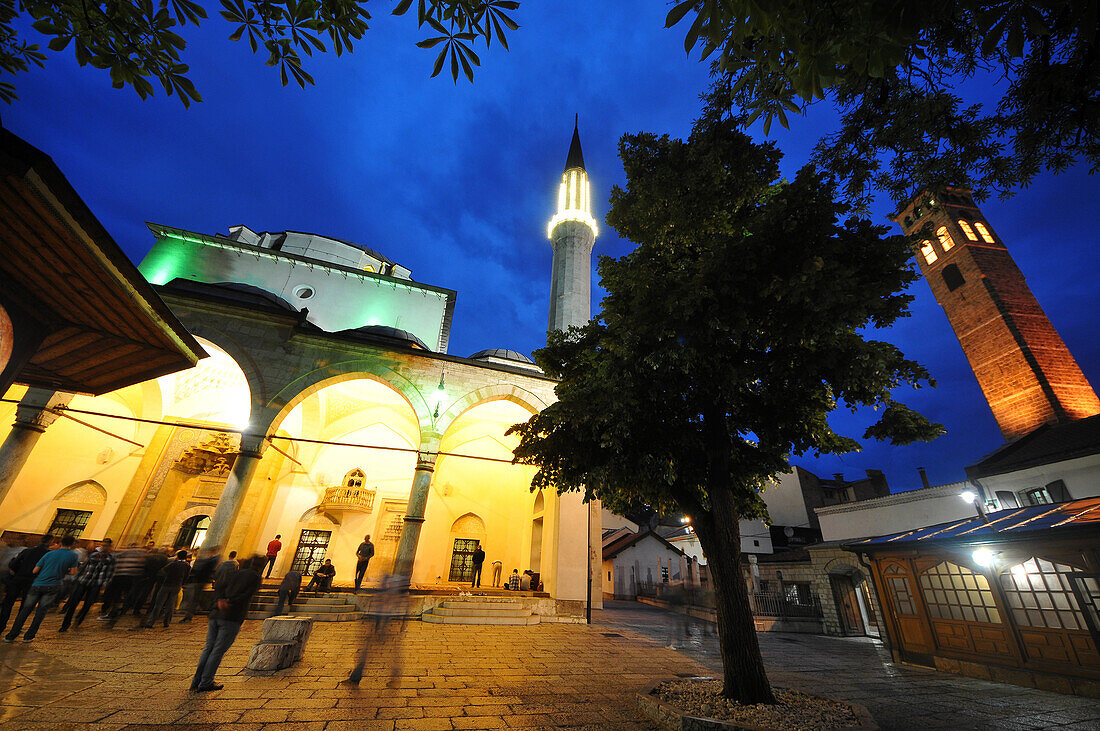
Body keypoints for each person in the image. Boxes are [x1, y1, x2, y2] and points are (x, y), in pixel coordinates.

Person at [191, 556, 263, 692]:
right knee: (218, 650)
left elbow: (220, 586)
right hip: (231, 616)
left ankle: (196, 680)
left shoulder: (235, 573)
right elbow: (246, 595)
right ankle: (206, 682)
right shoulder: (255, 577)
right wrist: (230, 601)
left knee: (208, 648)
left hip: (216, 613)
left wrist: (220, 600)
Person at [3, 535, 79, 643]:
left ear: (61, 542)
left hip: (38, 584)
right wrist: (62, 571)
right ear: (72, 544)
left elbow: (35, 570)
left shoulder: (49, 553)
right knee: (40, 612)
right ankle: (29, 636)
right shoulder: (73, 556)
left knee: (25, 610)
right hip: (54, 585)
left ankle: (11, 635)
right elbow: (73, 572)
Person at [0, 535, 50, 636]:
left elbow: (13, 564)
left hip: (18, 579)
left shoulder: (27, 551)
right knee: (24, 607)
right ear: (50, 542)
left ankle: (1, 625)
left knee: (8, 603)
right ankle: (16, 629)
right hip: (32, 581)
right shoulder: (47, 554)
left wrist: (15, 572)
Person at [61, 538, 114, 631]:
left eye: (106, 546)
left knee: (88, 604)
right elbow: (83, 566)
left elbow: (109, 572)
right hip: (84, 580)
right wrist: (76, 577)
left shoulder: (110, 559)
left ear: (109, 547)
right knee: (74, 602)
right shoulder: (93, 555)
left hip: (96, 583)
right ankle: (65, 624)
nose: (104, 547)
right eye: (103, 545)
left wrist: (105, 583)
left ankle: (79, 619)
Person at [141, 549, 190, 628]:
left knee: (159, 603)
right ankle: (167, 622)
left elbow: (163, 571)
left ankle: (151, 622)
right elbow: (187, 577)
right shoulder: (187, 566)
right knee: (171, 604)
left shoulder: (173, 564)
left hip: (167, 584)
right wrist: (182, 583)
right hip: (177, 586)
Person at [99, 543, 147, 620]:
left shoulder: (122, 553)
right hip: (130, 578)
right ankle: (121, 611)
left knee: (116, 595)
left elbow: (111, 561)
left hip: (119, 577)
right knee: (125, 595)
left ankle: (113, 611)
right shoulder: (139, 556)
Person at [179, 547, 220, 623]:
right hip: (199, 581)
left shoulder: (211, 561)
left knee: (194, 599)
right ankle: (190, 614)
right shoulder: (209, 561)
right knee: (194, 598)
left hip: (199, 581)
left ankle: (189, 615)